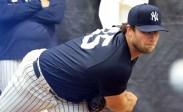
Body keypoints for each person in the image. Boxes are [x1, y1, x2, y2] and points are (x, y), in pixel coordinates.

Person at [0, 4, 167, 112]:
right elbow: (119, 107)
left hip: (72, 99)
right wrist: (129, 101)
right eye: (145, 31)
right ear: (130, 30)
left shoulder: (121, 35)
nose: (151, 37)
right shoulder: (116, 64)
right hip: (38, 79)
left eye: (155, 31)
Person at [0, 0, 65, 91]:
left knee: (46, 99)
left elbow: (56, 15)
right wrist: (38, 4)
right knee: (9, 99)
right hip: (10, 54)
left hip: (44, 55)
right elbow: (3, 13)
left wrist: (18, 13)